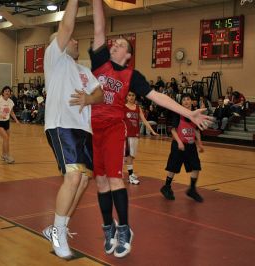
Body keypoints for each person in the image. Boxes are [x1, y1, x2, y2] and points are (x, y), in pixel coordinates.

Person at [90, 0, 212, 258]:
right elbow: (99, 26)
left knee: (113, 179)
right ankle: (107, 226)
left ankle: (124, 228)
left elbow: (159, 98)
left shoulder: (132, 76)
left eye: (121, 44)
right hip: (93, 129)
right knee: (99, 182)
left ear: (128, 55)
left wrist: (188, 112)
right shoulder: (100, 60)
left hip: (113, 127)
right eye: (115, 42)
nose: (115, 44)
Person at [40, 0, 103, 259]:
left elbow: (99, 94)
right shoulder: (55, 58)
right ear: (61, 43)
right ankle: (58, 232)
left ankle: (57, 228)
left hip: (83, 129)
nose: (76, 41)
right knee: (74, 176)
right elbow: (67, 24)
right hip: (60, 124)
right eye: (72, 39)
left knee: (84, 179)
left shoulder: (85, 70)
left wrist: (89, 99)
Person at [160, 94, 205, 203]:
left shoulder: (194, 115)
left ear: (192, 101)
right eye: (183, 100)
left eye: (188, 99)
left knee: (196, 167)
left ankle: (192, 189)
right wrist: (179, 142)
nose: (186, 101)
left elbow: (196, 130)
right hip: (178, 145)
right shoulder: (178, 113)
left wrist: (199, 143)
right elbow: (173, 130)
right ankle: (166, 187)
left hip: (190, 145)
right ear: (181, 102)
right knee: (173, 168)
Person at [124, 91, 158, 185]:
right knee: (129, 156)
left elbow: (144, 121)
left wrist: (152, 131)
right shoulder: (123, 108)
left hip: (135, 135)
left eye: (133, 95)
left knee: (131, 156)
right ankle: (131, 176)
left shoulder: (138, 108)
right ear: (126, 97)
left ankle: (115, 170)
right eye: (129, 95)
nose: (131, 97)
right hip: (126, 136)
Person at [0, 86, 20, 163]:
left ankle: (3, 155)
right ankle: (7, 156)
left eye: (8, 91)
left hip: (6, 122)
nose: (7, 92)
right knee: (6, 137)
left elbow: (11, 112)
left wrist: (16, 120)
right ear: (3, 92)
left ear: (10, 93)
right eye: (6, 91)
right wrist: (1, 116)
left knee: (6, 139)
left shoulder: (10, 102)